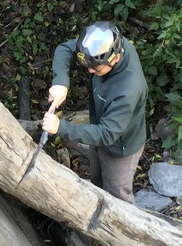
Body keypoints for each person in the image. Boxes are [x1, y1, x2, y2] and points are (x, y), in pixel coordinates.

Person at [41, 21, 148, 203]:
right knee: (97, 183)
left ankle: (119, 230)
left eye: (95, 68)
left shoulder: (128, 88)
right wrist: (61, 83)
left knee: (118, 200)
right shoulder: (106, 48)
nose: (90, 71)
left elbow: (107, 134)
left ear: (115, 58)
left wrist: (60, 127)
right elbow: (65, 49)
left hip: (120, 149)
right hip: (99, 130)